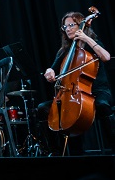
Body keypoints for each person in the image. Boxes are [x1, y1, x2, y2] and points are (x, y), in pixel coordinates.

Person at [37, 11, 113, 155]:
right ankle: (55, 151)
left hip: (98, 90)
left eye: (72, 25)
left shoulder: (93, 44)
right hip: (72, 94)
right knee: (43, 109)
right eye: (65, 27)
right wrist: (49, 72)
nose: (68, 29)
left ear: (81, 25)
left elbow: (106, 57)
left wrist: (86, 38)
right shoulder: (65, 50)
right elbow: (51, 68)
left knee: (102, 105)